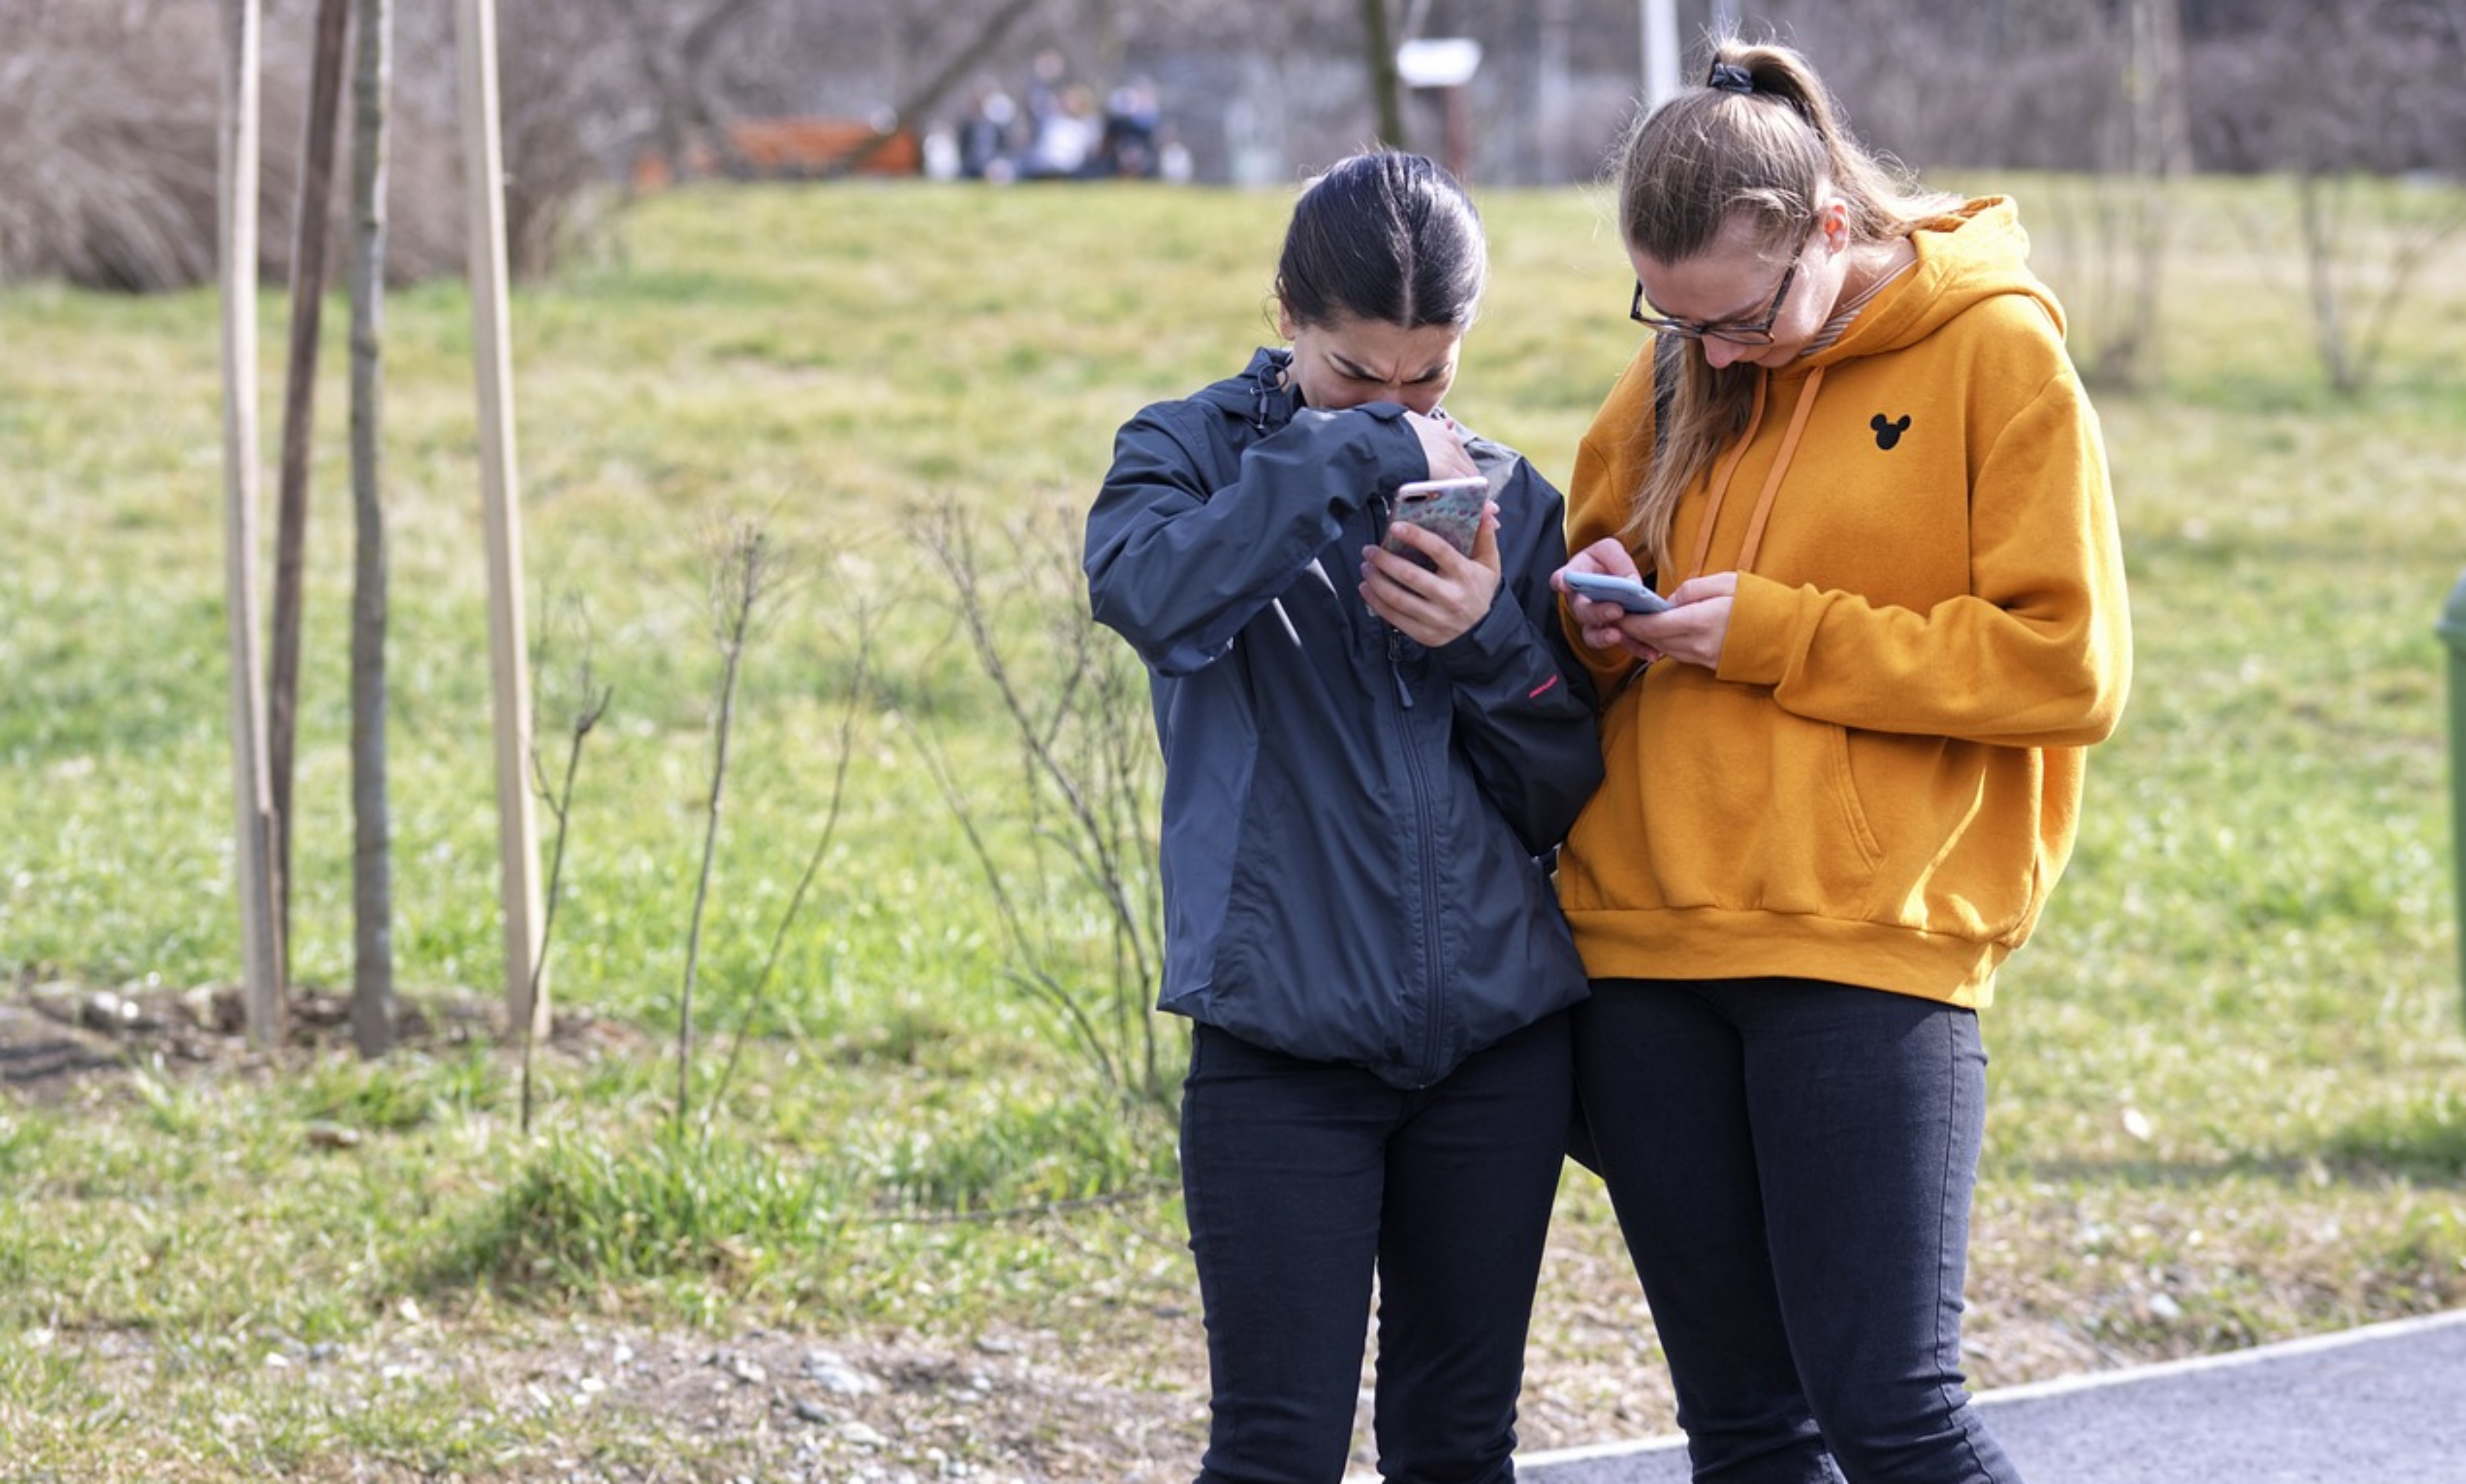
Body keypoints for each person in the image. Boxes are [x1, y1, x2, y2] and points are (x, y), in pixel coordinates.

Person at [1551, 40, 2133, 1484]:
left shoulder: (1995, 352)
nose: (1714, 352)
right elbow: (1585, 582)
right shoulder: (1688, 359)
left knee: (1893, 1416)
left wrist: (1780, 633)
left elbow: (2067, 665)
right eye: (1671, 317)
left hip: (1871, 950)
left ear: (1825, 227)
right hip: (1643, 947)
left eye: (1740, 318)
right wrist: (1598, 609)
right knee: (1744, 1434)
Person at [1085, 150, 1601, 1484]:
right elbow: (1149, 597)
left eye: (1426, 378)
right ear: (1284, 314)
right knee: (1274, 1453)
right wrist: (1340, 455)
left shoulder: (1509, 494)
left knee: (1457, 1448)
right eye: (1355, 371)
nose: (1398, 406)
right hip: (1281, 1049)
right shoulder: (1186, 454)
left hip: (1497, 1047)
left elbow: (1563, 782)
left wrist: (1490, 640)